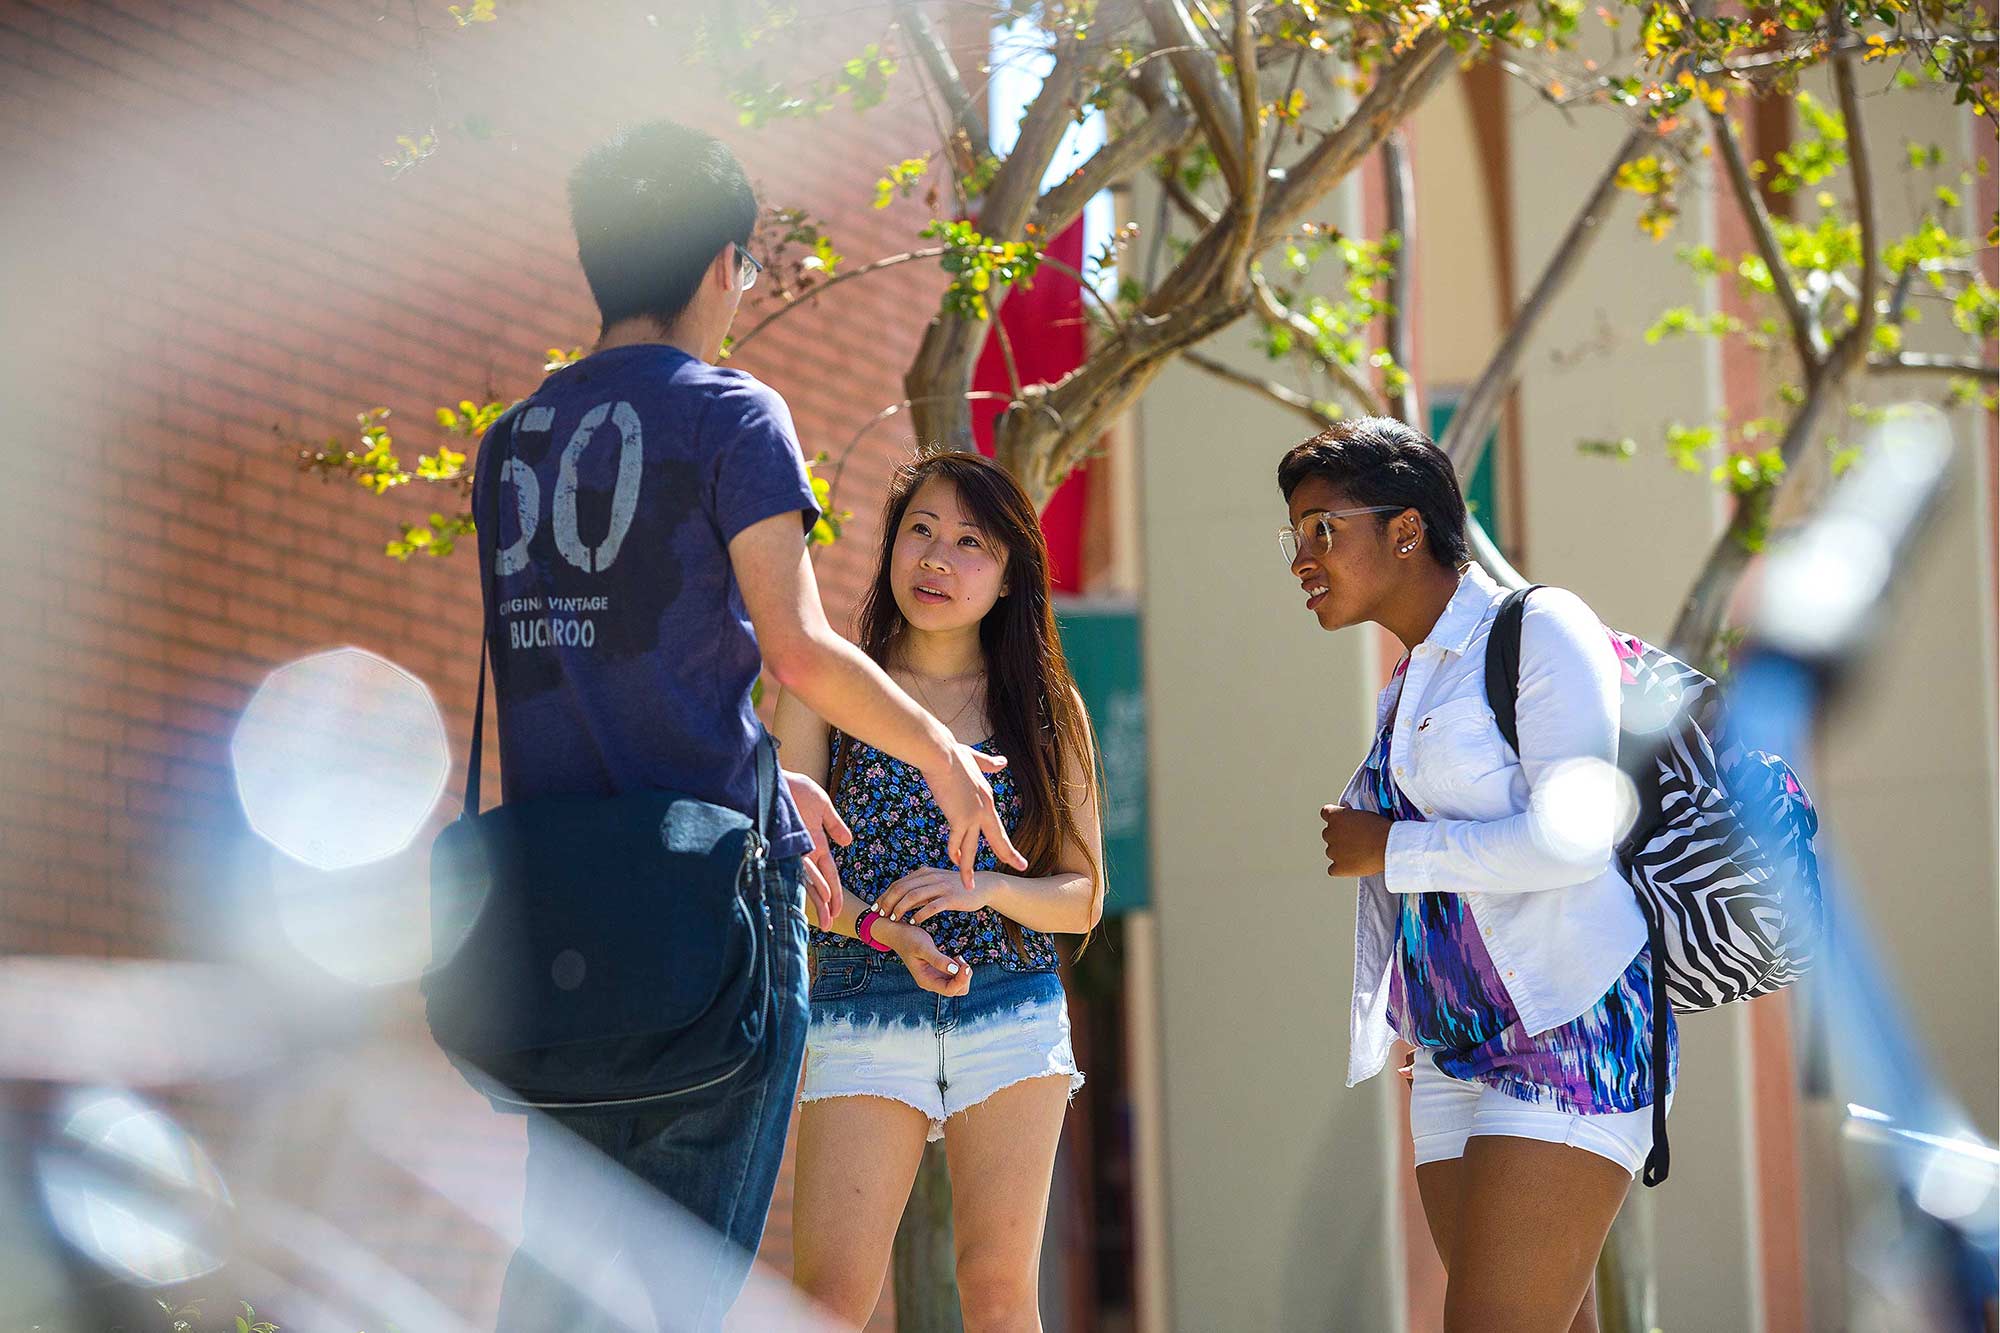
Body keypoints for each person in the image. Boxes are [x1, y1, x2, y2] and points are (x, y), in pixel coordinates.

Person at [471, 119, 1025, 1332]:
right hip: (701, 920)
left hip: (552, 921)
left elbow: (599, 688)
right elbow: (795, 647)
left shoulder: (508, 442)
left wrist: (773, 778)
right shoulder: (731, 414)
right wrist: (938, 753)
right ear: (725, 262)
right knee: (669, 1294)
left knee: (557, 1287)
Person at [1281, 418, 1676, 1332]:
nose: (1301, 557)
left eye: (1322, 529)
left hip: (1567, 1034)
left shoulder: (1541, 626)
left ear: (1407, 529)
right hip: (1455, 1055)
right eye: (1295, 535)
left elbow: (1573, 834)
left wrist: (1393, 850)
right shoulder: (1408, 680)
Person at [773, 450, 1102, 1330]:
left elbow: (1080, 896)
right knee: (828, 1300)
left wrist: (983, 889)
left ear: (1007, 578)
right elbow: (790, 869)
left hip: (1010, 1005)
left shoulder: (1047, 707)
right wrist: (884, 929)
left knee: (998, 1295)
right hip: (861, 991)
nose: (937, 558)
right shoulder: (828, 685)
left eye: (971, 542)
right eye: (920, 529)